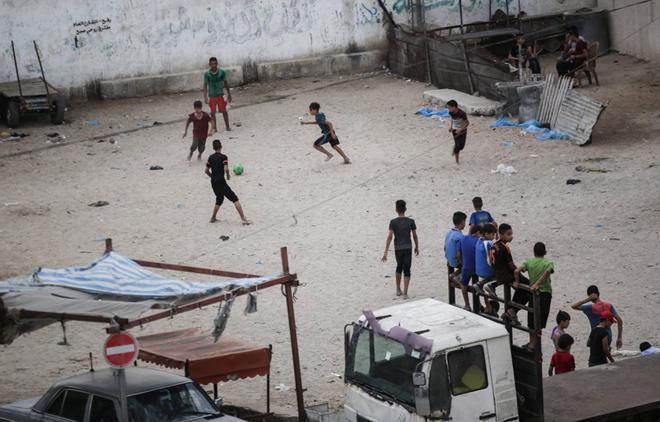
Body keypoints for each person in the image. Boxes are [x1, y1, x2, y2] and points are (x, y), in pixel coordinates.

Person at [515, 242, 554, 349]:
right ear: (545, 252)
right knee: (539, 322)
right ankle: (535, 343)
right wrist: (538, 284)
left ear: (534, 252)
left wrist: (517, 283)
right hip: (545, 293)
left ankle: (531, 342)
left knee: (531, 320)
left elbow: (517, 270)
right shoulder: (548, 262)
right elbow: (547, 272)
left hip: (533, 294)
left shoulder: (529, 262)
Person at [489, 224, 530, 326]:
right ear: (501, 235)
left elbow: (491, 261)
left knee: (521, 290)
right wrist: (518, 272)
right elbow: (511, 266)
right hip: (507, 276)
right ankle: (512, 311)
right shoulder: (505, 248)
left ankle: (510, 310)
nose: (511, 236)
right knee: (529, 288)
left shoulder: (494, 245)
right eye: (508, 234)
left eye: (511, 234)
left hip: (498, 274)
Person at [205, 140, 250, 225]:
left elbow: (206, 171)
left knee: (219, 199)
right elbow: (226, 169)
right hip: (221, 181)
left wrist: (212, 177)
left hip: (213, 182)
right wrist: (228, 175)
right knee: (235, 199)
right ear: (221, 147)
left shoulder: (210, 157)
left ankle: (213, 218)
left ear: (213, 148)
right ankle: (243, 219)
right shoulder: (224, 157)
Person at [382, 200, 419, 299]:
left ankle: (398, 289)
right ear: (405, 209)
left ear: (396, 209)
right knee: (407, 269)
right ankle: (405, 293)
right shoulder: (411, 221)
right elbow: (414, 235)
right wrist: (417, 246)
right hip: (408, 247)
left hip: (398, 248)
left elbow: (389, 237)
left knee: (399, 267)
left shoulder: (393, 222)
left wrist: (385, 252)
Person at [202, 57, 232, 132]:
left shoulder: (222, 72)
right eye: (212, 64)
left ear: (217, 64)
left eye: (215, 63)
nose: (214, 65)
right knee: (212, 113)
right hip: (212, 96)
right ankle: (215, 128)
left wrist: (229, 94)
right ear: (209, 64)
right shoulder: (207, 74)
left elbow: (226, 83)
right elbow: (205, 85)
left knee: (224, 111)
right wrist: (205, 97)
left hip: (220, 95)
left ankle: (227, 126)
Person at [474, 224, 497, 315]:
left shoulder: (479, 240)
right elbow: (490, 259)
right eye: (492, 235)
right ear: (487, 234)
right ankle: (489, 286)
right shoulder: (489, 243)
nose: (493, 237)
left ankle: (480, 285)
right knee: (501, 275)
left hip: (478, 270)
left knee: (489, 277)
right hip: (485, 270)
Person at [458, 225, 481, 311]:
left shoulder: (463, 238)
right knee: (479, 285)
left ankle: (467, 305)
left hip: (466, 267)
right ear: (478, 233)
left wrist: (462, 263)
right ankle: (485, 306)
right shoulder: (479, 240)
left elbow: (458, 254)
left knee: (463, 284)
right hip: (477, 268)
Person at [444, 211, 466, 285]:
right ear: (462, 222)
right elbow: (459, 253)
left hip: (449, 260)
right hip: (455, 261)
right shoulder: (460, 236)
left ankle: (453, 275)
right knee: (469, 265)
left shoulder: (449, 232)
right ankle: (455, 276)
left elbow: (445, 247)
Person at [447, 100, 469, 164]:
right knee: (457, 146)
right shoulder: (450, 112)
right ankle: (457, 161)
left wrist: (460, 129)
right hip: (454, 131)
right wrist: (451, 127)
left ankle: (455, 147)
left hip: (463, 131)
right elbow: (452, 119)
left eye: (449, 107)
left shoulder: (462, 113)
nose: (448, 109)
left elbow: (467, 123)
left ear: (454, 107)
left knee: (461, 147)